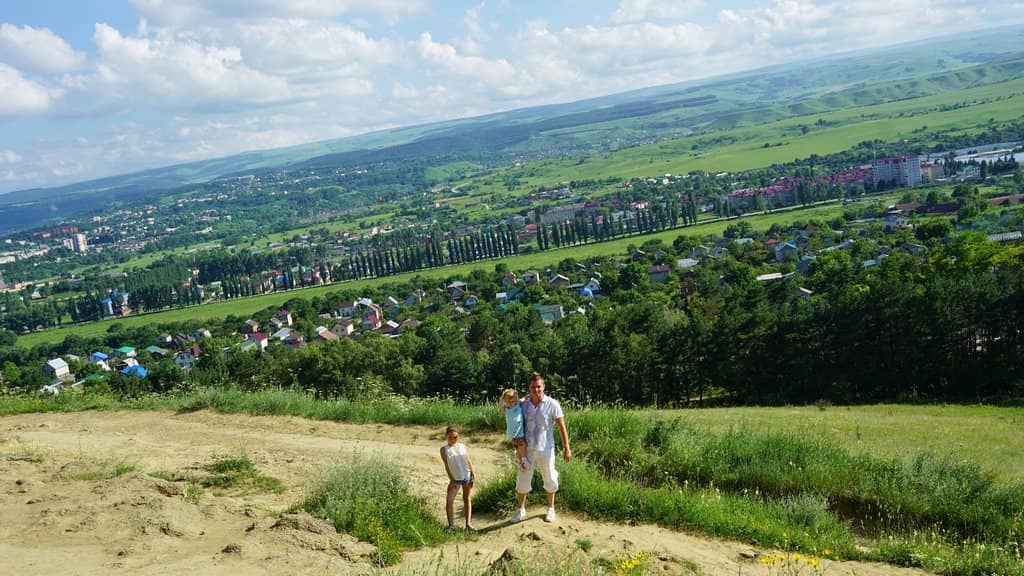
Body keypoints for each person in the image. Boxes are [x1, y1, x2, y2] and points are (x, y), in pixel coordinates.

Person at [509, 373, 572, 524]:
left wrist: (566, 448)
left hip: (546, 448)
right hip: (527, 449)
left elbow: (561, 426)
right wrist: (514, 439)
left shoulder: (552, 404)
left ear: (543, 387)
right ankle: (520, 509)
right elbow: (513, 421)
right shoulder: (523, 405)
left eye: (539, 386)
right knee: (523, 478)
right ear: (529, 388)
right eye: (533, 387)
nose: (536, 390)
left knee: (550, 477)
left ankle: (550, 508)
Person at [439, 425, 476, 532]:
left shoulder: (462, 446)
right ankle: (451, 526)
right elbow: (446, 465)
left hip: (466, 476)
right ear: (446, 436)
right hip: (455, 479)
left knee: (467, 498)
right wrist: (451, 479)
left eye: (455, 437)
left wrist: (473, 473)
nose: (453, 439)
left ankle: (468, 524)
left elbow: (468, 460)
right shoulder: (444, 450)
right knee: (449, 500)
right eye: (450, 437)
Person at [499, 388, 529, 470]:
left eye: (512, 401)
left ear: (515, 400)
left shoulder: (518, 404)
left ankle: (517, 459)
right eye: (508, 401)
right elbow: (500, 406)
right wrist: (502, 396)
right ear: (505, 401)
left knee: (520, 446)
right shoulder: (505, 408)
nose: (510, 403)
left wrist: (528, 395)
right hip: (513, 432)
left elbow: (524, 398)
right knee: (523, 444)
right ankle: (523, 460)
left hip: (520, 430)